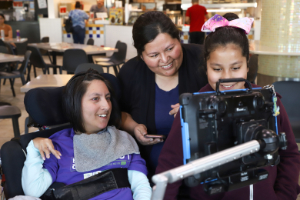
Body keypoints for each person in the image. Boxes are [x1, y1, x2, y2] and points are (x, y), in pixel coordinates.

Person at [156, 13, 300, 200]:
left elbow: (289, 154)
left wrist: (283, 196)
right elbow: (170, 166)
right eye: (217, 69)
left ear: (247, 63)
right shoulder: (192, 109)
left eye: (235, 67)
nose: (227, 78)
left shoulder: (268, 101)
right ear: (206, 66)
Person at [22, 69, 152, 199]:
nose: (106, 106)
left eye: (108, 98)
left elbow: (141, 188)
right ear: (75, 104)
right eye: (95, 99)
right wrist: (33, 148)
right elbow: (33, 192)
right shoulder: (57, 145)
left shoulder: (124, 140)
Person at [118, 11, 208, 179]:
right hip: (148, 173)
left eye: (170, 49)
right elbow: (118, 113)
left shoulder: (201, 60)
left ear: (179, 40)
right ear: (141, 55)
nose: (165, 59)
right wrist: (134, 127)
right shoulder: (131, 72)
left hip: (200, 168)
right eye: (154, 55)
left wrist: (197, 108)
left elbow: (228, 97)